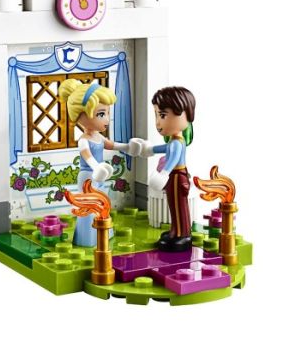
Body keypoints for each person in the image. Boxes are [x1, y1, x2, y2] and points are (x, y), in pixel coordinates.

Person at [58, 79, 141, 247]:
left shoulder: (98, 136)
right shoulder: (84, 140)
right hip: (88, 176)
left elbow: (111, 144)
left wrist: (127, 147)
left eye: (108, 113)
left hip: (100, 174)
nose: (107, 119)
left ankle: (104, 234)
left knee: (103, 204)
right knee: (89, 207)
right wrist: (97, 167)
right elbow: (87, 155)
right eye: (101, 114)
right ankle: (87, 238)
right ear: (81, 115)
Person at [133, 86, 196, 252]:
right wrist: (150, 149)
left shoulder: (177, 143)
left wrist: (164, 173)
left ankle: (182, 234)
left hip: (176, 177)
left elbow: (173, 158)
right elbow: (164, 149)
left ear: (184, 115)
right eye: (156, 115)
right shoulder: (174, 141)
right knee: (173, 205)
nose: (158, 122)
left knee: (178, 206)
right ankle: (176, 231)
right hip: (174, 177)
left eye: (162, 115)